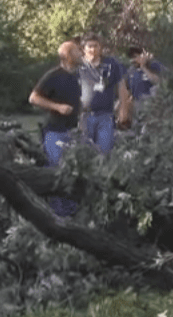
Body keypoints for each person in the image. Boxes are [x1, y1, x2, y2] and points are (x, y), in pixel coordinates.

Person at [29, 40, 83, 216]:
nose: (81, 53)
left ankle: (72, 213)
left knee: (74, 173)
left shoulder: (80, 76)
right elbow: (34, 98)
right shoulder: (53, 76)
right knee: (57, 173)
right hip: (55, 132)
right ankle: (56, 217)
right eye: (76, 51)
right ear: (66, 56)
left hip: (76, 133)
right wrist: (57, 107)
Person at [76, 35, 130, 153]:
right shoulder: (78, 66)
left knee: (105, 152)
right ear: (83, 48)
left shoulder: (111, 64)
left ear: (101, 47)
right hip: (84, 116)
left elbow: (122, 88)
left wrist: (123, 110)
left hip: (106, 115)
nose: (93, 49)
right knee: (84, 152)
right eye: (89, 46)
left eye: (96, 46)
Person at [124, 45, 166, 126]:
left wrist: (143, 67)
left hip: (152, 102)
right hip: (137, 104)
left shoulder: (153, 65)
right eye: (133, 58)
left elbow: (158, 81)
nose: (136, 59)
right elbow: (129, 89)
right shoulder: (131, 71)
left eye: (137, 56)